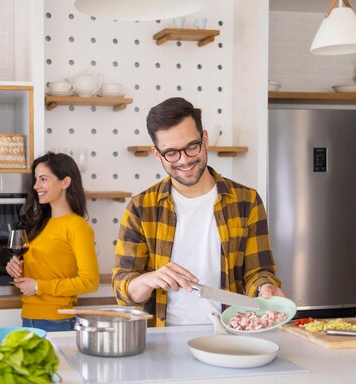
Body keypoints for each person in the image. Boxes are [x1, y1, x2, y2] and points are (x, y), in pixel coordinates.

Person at [112, 97, 285, 327]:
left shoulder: (247, 201)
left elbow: (258, 271)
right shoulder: (141, 208)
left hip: (231, 334)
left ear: (205, 139)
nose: (184, 160)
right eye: (171, 153)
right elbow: (123, 288)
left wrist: (265, 288)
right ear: (156, 154)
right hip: (162, 340)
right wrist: (149, 280)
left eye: (192, 146)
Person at [6, 152, 99, 332]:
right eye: (36, 180)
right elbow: (41, 271)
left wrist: (39, 286)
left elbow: (90, 281)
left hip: (57, 321)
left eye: (43, 179)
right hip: (29, 317)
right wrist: (15, 268)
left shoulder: (76, 226)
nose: (36, 186)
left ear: (65, 182)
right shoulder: (39, 224)